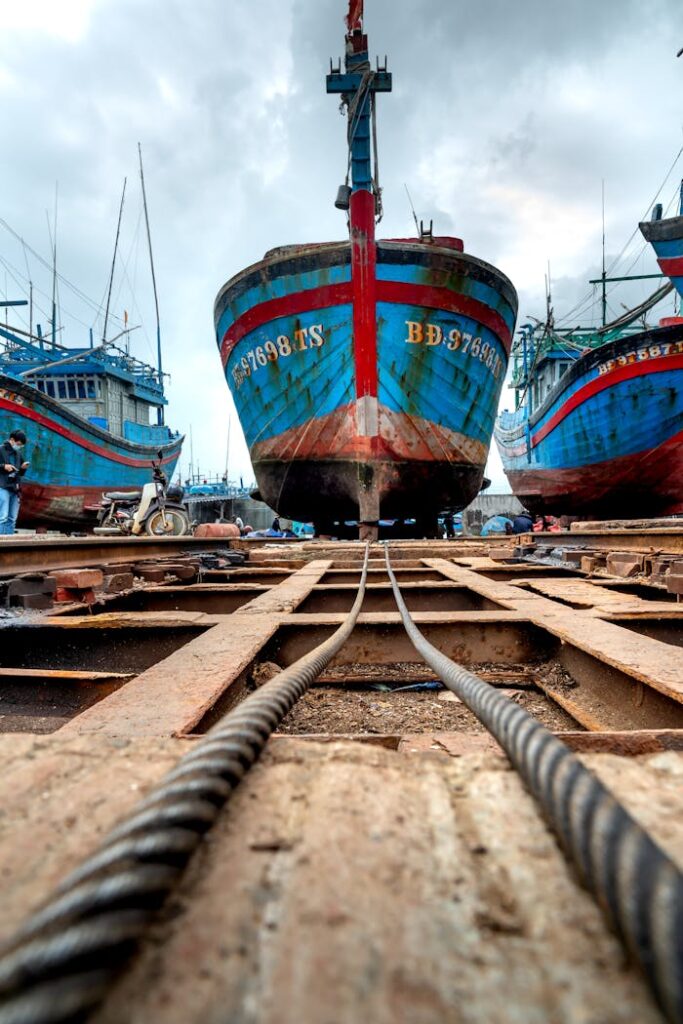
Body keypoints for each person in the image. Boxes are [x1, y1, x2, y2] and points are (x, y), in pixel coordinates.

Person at [0, 429, 29, 535]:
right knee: (3, 517)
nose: (19, 446)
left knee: (12, 518)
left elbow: (20, 473)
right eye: (19, 444)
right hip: (3, 486)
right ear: (12, 440)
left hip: (15, 488)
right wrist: (3, 466)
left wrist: (23, 468)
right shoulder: (1, 449)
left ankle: (9, 543)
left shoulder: (18, 454)